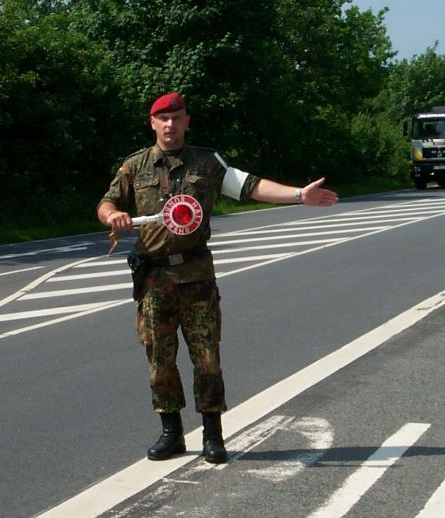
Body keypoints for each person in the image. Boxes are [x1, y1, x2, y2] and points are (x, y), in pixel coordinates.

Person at [97, 92, 338, 463]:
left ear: (187, 121)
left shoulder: (206, 163)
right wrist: (113, 215)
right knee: (160, 360)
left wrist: (297, 195)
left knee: (206, 357)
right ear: (152, 123)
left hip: (196, 276)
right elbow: (107, 203)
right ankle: (171, 432)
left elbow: (249, 185)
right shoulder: (135, 166)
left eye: (177, 117)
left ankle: (213, 434)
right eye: (163, 119)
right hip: (154, 278)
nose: (170, 125)